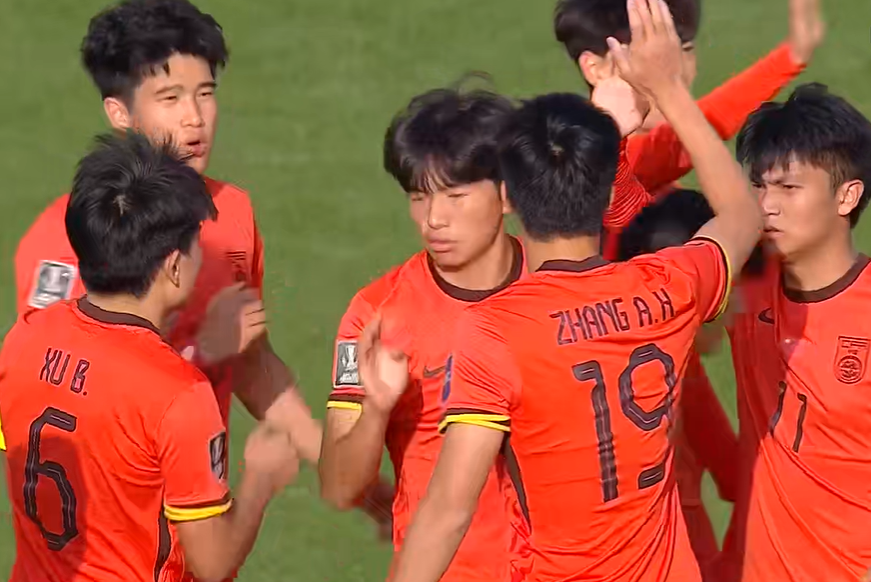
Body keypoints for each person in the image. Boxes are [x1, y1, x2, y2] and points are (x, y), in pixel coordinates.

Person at [378, 1, 762, 580]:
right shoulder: (669, 287)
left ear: (508, 197)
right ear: (606, 189)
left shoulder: (494, 332)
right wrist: (668, 91)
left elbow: (448, 512)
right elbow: (742, 214)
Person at [12, 0, 391, 527]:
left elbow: (253, 367)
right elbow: (53, 393)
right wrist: (199, 351)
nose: (195, 118)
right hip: (104, 543)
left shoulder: (232, 215)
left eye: (206, 93)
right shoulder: (64, 242)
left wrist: (353, 484)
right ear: (119, 113)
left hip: (198, 529)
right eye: (170, 98)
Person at [0, 132, 299, 582]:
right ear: (175, 267)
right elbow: (212, 565)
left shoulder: (23, 337)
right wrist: (260, 480)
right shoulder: (179, 394)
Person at [319, 86, 531, 581]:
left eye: (455, 196)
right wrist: (375, 410)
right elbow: (339, 488)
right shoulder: (373, 317)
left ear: (507, 194)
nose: (433, 219)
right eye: (418, 197)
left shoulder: (555, 286)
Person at [718, 83, 871, 582]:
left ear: (847, 195)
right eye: (759, 187)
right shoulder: (744, 284)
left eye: (788, 188)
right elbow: (635, 224)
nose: (767, 205)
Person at [554, 0, 822, 253]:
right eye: (648, 55)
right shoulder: (593, 168)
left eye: (684, 49)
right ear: (594, 68)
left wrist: (795, 54)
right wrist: (791, 57)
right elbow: (696, 129)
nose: (675, 70)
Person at [617, 189, 739, 580]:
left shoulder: (604, 359)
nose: (735, 300)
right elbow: (736, 478)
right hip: (687, 559)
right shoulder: (683, 372)